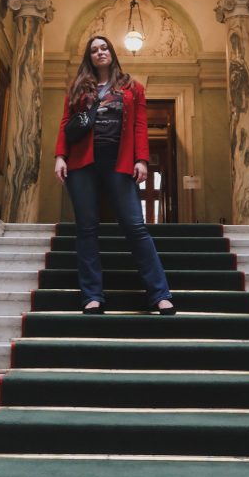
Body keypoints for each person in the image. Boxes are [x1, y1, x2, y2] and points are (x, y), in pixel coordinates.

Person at [54, 35, 176, 315]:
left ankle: (160, 294)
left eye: (104, 47)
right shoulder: (77, 88)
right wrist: (60, 156)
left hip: (118, 163)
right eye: (94, 50)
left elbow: (140, 126)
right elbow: (65, 123)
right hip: (82, 163)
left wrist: (141, 160)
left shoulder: (133, 88)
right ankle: (92, 296)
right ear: (89, 57)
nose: (100, 53)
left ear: (112, 52)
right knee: (86, 229)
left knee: (135, 227)